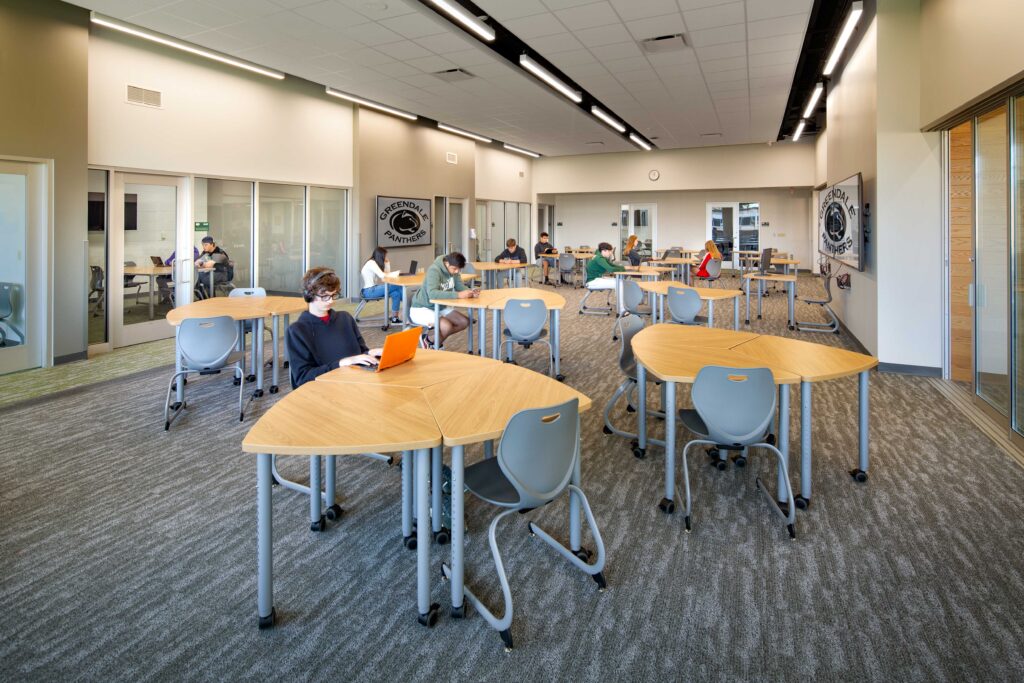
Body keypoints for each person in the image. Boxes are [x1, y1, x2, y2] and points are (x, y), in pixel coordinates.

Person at [286, 267, 383, 388]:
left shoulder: (345, 318)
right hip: (326, 390)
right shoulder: (297, 331)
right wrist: (341, 363)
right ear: (309, 295)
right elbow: (303, 377)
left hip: (356, 382)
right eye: (324, 296)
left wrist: (371, 353)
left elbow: (360, 353)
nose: (330, 301)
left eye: (334, 295)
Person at [409, 252, 476, 349]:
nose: (457, 271)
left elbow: (459, 286)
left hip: (439, 306)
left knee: (464, 322)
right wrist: (458, 295)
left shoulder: (453, 270)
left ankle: (429, 340)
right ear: (447, 263)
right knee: (447, 326)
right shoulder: (434, 270)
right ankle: (433, 343)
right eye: (455, 269)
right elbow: (432, 294)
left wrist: (469, 292)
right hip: (422, 308)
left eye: (459, 269)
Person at [360, 246, 403, 324]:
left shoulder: (374, 262)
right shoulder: (371, 263)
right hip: (369, 291)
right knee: (398, 285)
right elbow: (383, 276)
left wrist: (387, 263)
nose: (386, 257)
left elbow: (386, 276)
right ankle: (408, 301)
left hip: (372, 289)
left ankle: (394, 318)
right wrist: (396, 273)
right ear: (381, 256)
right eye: (385, 256)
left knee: (396, 293)